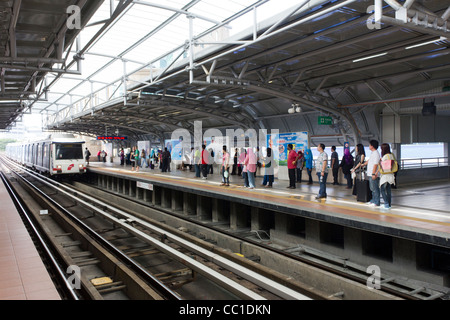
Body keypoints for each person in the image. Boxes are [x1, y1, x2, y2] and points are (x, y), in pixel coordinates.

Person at [378, 143, 397, 209]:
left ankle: (386, 203)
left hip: (385, 176)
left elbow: (383, 167)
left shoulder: (385, 156)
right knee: (388, 190)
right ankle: (389, 204)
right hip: (391, 175)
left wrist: (380, 162)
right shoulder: (391, 155)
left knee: (382, 190)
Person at [363, 140, 381, 207]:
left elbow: (376, 164)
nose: (369, 146)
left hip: (373, 174)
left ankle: (377, 202)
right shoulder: (373, 153)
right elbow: (370, 160)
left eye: (369, 145)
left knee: (375, 188)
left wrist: (374, 174)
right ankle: (373, 200)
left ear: (372, 146)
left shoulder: (376, 153)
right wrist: (364, 164)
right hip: (370, 173)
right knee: (372, 188)